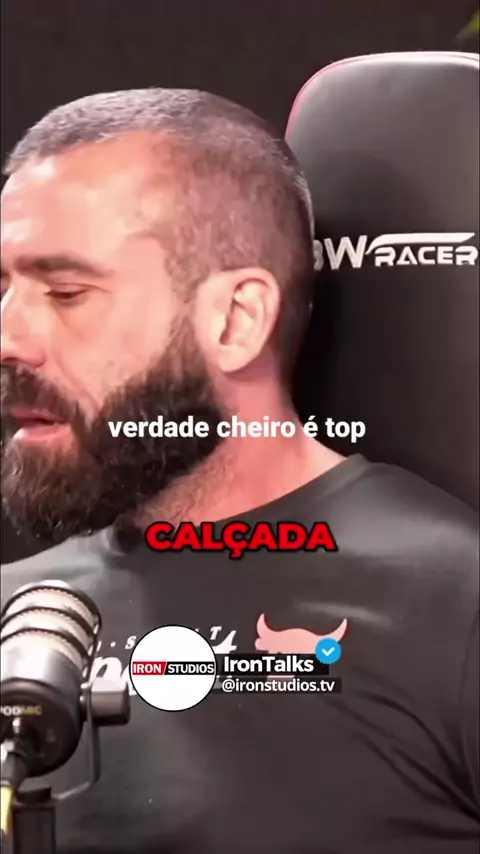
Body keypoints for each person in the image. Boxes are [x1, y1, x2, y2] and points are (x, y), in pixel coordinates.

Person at [0, 88, 478, 854]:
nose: (10, 338)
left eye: (66, 292)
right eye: (4, 290)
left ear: (235, 320)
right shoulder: (19, 613)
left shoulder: (456, 610)